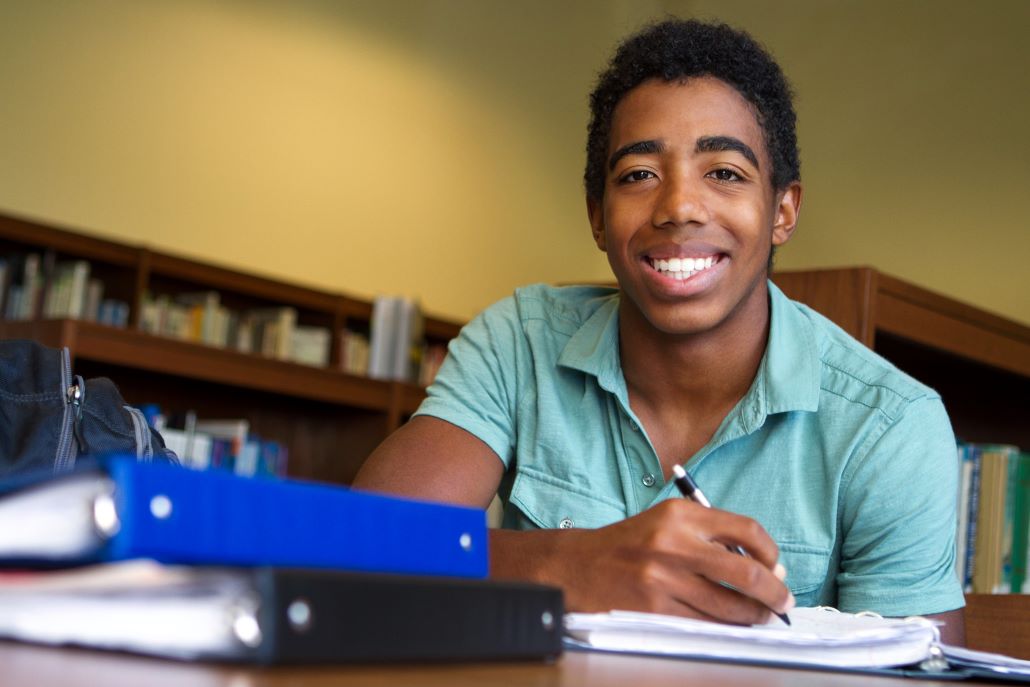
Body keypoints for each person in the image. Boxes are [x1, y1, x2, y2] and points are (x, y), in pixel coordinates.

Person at [353, 18, 965, 643]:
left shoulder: (891, 427)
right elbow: (361, 548)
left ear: (783, 210)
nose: (678, 207)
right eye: (639, 174)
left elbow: (916, 668)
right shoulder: (520, 341)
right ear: (597, 217)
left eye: (725, 172)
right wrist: (569, 565)